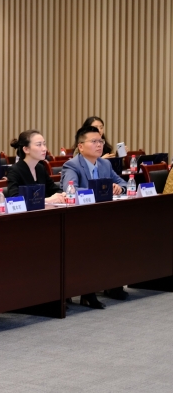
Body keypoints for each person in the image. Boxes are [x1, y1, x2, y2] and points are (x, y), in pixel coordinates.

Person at [60, 125, 128, 308]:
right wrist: (98, 190)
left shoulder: (105, 164)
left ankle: (111, 283)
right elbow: (70, 190)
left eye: (101, 141)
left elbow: (124, 183)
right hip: (79, 220)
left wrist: (119, 188)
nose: (99, 145)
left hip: (103, 217)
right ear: (81, 146)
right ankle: (87, 291)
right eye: (94, 141)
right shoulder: (72, 165)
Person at [5, 130, 65, 203]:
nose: (44, 149)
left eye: (44, 144)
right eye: (39, 145)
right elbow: (15, 199)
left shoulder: (40, 168)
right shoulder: (14, 170)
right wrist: (47, 200)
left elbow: (54, 189)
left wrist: (62, 194)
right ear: (26, 149)